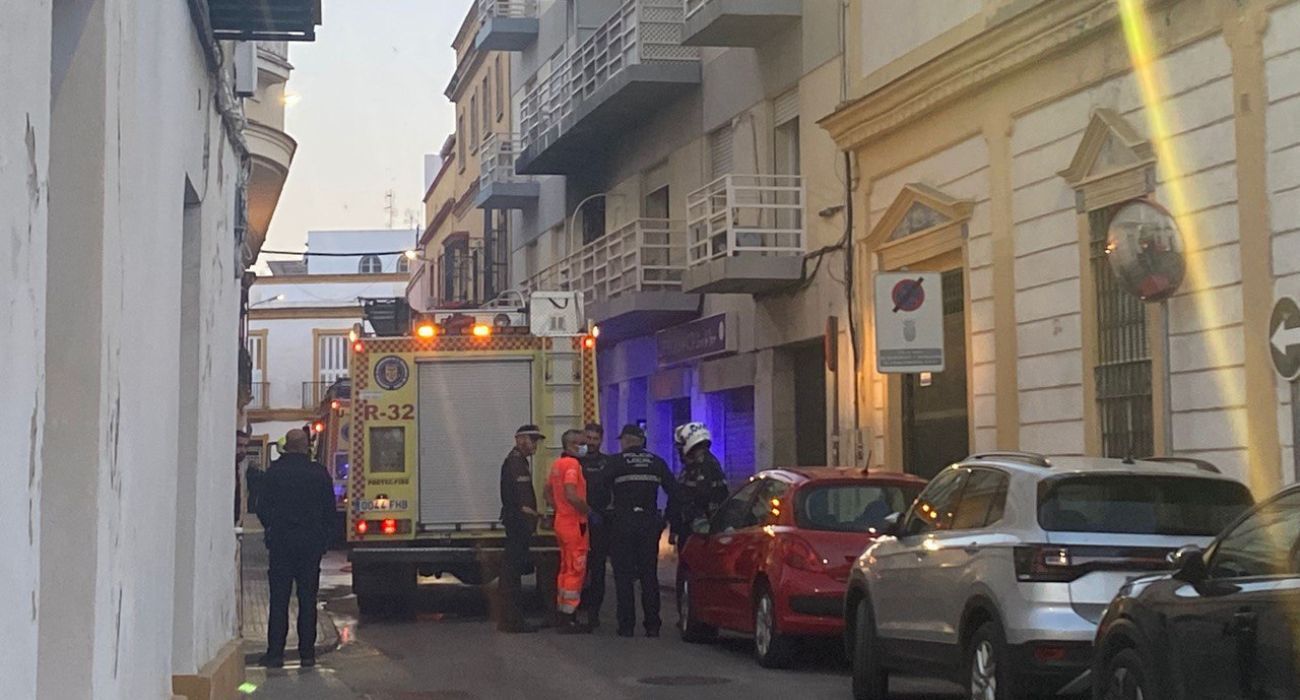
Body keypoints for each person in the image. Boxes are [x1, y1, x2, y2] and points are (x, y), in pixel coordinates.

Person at [256, 429, 336, 668]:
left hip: (281, 545)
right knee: (307, 599)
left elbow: (261, 507)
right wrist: (323, 541)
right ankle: (307, 654)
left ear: (286, 446)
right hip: (310, 546)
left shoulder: (274, 473)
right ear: (306, 447)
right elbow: (329, 512)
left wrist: (272, 527)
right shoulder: (319, 474)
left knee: (279, 600)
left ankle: (275, 654)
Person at [606, 424, 676, 637]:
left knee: (624, 576)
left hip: (623, 523)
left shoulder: (616, 462)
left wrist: (605, 515)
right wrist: (666, 519)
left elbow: (598, 489)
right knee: (648, 575)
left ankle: (626, 626)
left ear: (626, 440)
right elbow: (675, 491)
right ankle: (652, 625)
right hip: (648, 523)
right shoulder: (657, 462)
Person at [497, 424, 546, 633]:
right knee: (512, 573)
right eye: (531, 440)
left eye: (536, 441)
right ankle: (512, 620)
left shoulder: (518, 461)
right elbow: (522, 500)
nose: (534, 445)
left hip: (516, 522)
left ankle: (511, 618)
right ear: (519, 439)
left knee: (512, 571)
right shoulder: (516, 463)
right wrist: (533, 517)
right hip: (517, 523)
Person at [546, 429, 591, 634]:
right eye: (582, 443)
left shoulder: (557, 464)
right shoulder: (572, 465)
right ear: (572, 444)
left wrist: (558, 507)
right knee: (576, 569)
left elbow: (547, 491)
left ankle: (561, 611)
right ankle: (569, 617)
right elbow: (572, 493)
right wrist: (588, 511)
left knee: (565, 568)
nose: (585, 446)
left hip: (561, 521)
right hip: (574, 524)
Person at [667, 422, 728, 552]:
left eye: (680, 446)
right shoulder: (693, 467)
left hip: (699, 532)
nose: (679, 451)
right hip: (693, 529)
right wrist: (674, 527)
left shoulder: (704, 467)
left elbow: (695, 499)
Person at [577, 422, 613, 629]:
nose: (591, 443)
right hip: (578, 522)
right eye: (588, 438)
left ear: (601, 440)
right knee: (577, 568)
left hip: (600, 523)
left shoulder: (608, 463)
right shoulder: (575, 461)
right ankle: (572, 610)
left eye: (595, 439)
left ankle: (594, 613)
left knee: (597, 570)